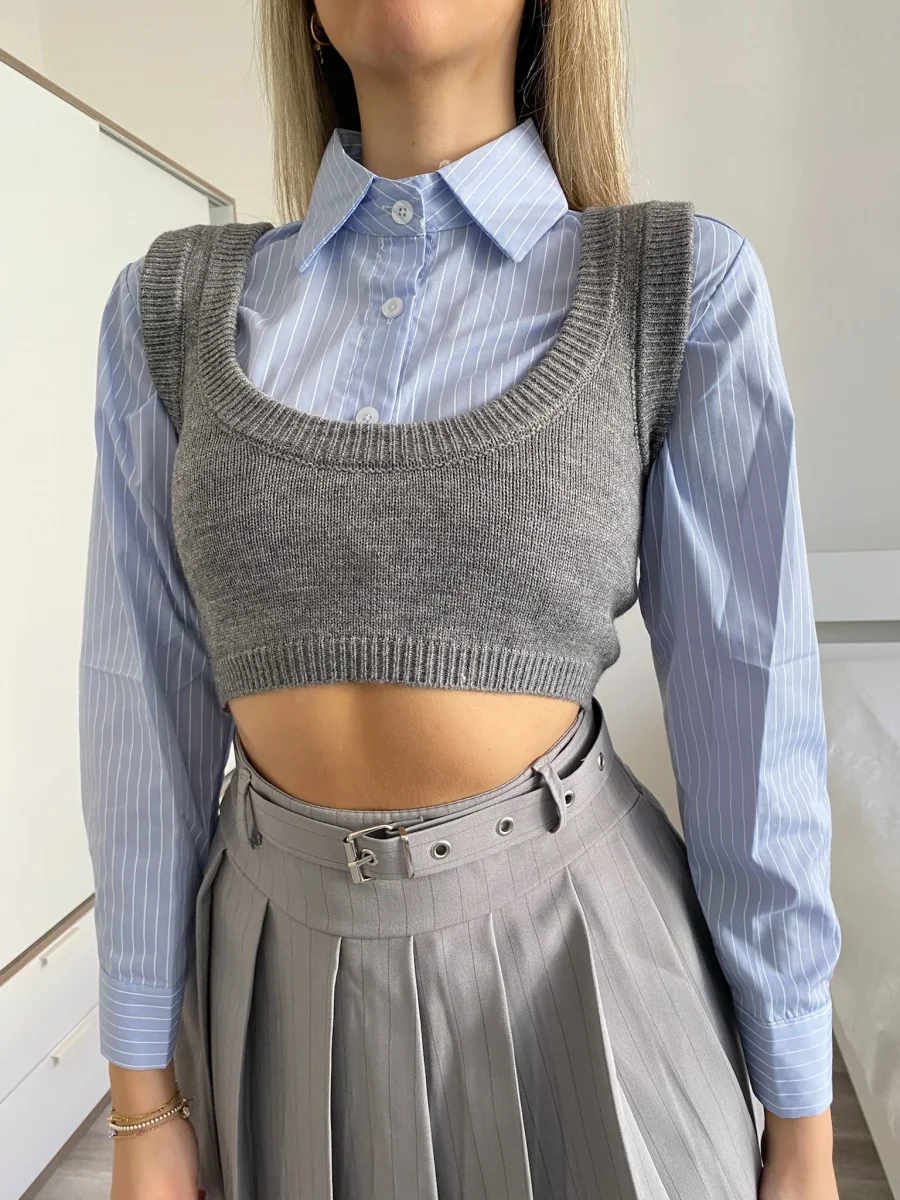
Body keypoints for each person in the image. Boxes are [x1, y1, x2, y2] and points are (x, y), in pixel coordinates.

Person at [78, 0, 843, 1196]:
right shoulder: (168, 312)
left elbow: (754, 728)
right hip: (271, 992)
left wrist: (800, 1126)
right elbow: (138, 720)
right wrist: (141, 1105)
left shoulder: (678, 289)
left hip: (580, 976)